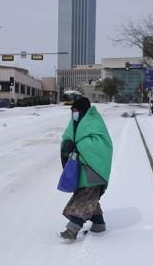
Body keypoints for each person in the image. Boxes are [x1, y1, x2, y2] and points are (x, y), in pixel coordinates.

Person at [59, 97, 113, 240]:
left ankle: (72, 229)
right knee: (90, 198)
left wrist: (77, 147)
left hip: (93, 170)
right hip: (81, 169)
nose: (73, 113)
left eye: (76, 110)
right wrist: (67, 145)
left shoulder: (94, 122)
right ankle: (99, 224)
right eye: (72, 111)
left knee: (83, 198)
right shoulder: (76, 123)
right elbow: (68, 137)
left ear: (83, 110)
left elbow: (99, 145)